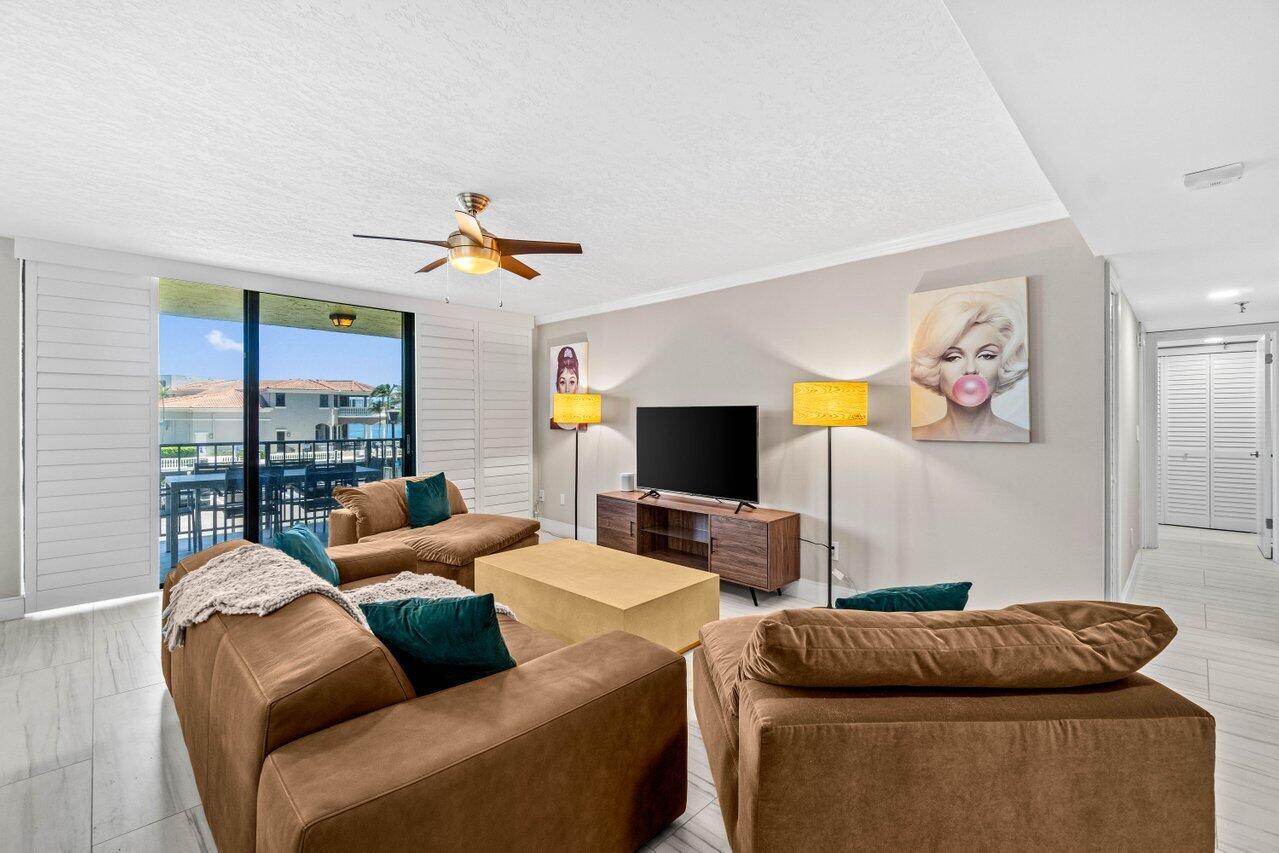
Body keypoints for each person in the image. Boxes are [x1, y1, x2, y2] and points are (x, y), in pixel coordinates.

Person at [910, 289, 1029, 442]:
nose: (971, 369)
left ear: (1004, 363)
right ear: (935, 367)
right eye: (953, 357)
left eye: (986, 356)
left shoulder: (1019, 436)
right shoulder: (917, 436)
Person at [551, 346, 583, 430]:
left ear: (577, 385)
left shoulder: (582, 424)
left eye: (572, 382)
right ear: (557, 387)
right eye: (562, 382)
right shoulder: (551, 424)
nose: (567, 389)